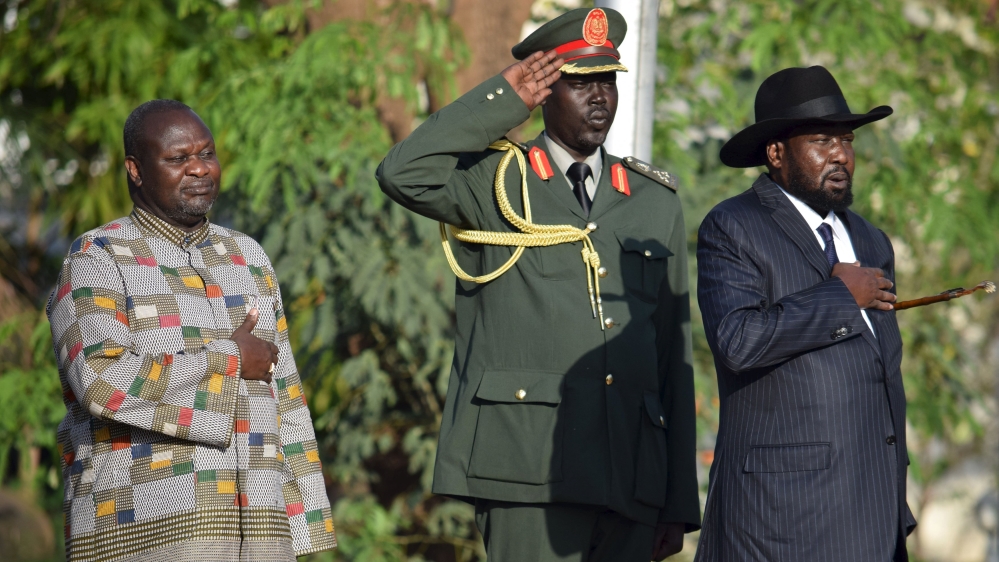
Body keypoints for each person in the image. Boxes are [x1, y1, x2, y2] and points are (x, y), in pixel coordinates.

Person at [376, 8, 699, 562]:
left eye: (607, 81)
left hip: (631, 475)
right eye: (578, 83)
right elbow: (402, 172)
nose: (599, 97)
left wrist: (676, 501)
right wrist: (503, 101)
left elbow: (674, 354)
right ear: (544, 92)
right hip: (524, 466)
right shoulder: (495, 180)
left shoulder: (653, 200)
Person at [47, 100, 337, 561]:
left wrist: (305, 529)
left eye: (207, 154)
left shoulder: (247, 256)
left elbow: (287, 396)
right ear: (135, 170)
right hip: (150, 533)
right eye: (179, 159)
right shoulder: (97, 258)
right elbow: (99, 381)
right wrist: (228, 359)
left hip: (260, 527)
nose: (200, 169)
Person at [694, 66, 916, 561]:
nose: (840, 154)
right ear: (776, 154)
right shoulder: (734, 226)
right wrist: (839, 297)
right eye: (821, 140)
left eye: (846, 141)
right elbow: (738, 341)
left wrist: (894, 507)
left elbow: (881, 372)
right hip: (780, 522)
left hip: (873, 519)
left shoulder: (871, 240)